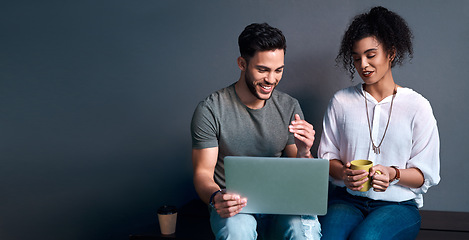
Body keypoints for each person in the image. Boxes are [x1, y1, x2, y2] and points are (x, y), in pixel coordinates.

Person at [318, 6, 440, 240]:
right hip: (346, 201)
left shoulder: (418, 106)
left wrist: (393, 173)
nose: (363, 64)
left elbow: (425, 174)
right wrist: (345, 173)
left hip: (398, 206)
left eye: (371, 55)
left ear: (391, 53)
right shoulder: (341, 101)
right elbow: (326, 157)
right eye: (356, 58)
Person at [191, 23, 321, 239]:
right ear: (242, 63)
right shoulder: (211, 109)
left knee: (304, 231)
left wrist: (305, 151)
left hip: (282, 203)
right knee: (237, 230)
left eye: (278, 70)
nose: (271, 79)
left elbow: (301, 178)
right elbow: (203, 173)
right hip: (235, 206)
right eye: (262, 70)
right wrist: (216, 197)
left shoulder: (289, 106)